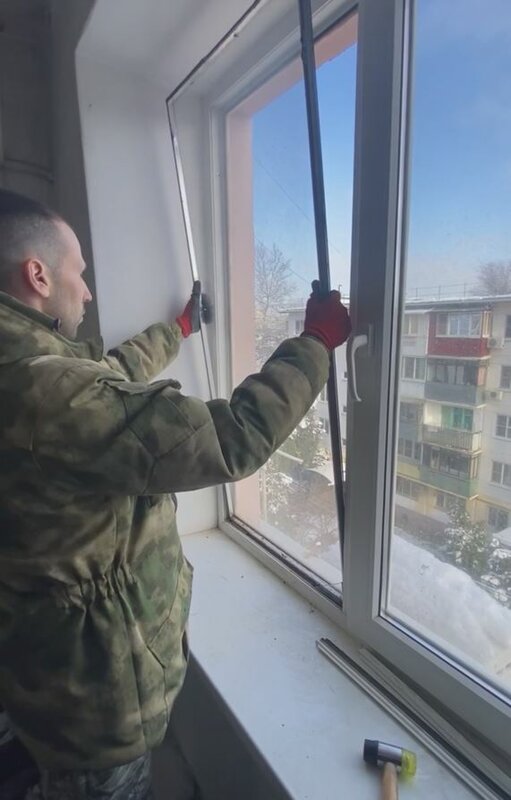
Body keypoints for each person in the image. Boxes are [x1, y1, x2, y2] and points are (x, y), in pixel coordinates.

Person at [0, 188, 351, 800]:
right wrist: (315, 343)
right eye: (79, 273)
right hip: (93, 710)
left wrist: (179, 328)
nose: (88, 292)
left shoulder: (26, 368)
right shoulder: (45, 392)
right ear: (38, 276)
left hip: (47, 676)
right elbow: (230, 437)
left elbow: (107, 379)